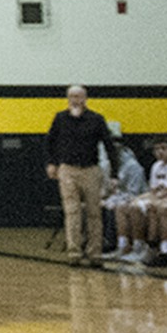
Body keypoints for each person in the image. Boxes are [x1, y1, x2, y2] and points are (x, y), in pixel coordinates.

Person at [45, 85, 115, 267]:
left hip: (91, 169)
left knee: (94, 213)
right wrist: (52, 163)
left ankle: (95, 254)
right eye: (72, 96)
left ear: (85, 98)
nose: (75, 100)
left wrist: (114, 174)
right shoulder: (60, 118)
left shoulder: (96, 119)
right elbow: (50, 141)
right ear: (67, 99)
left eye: (79, 96)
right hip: (68, 169)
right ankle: (74, 254)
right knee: (72, 212)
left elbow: (109, 145)